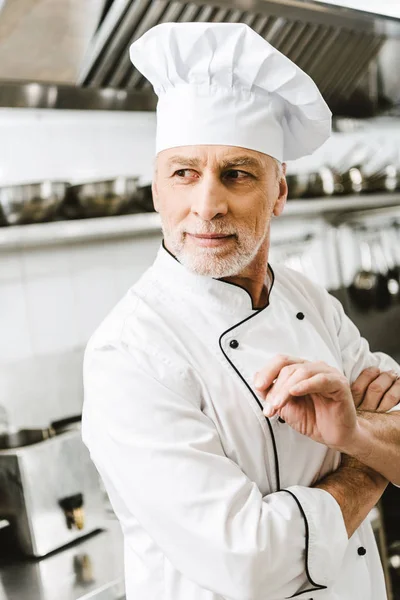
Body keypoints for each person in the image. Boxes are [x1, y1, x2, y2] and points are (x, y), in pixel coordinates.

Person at [82, 22, 400, 600]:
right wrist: (369, 458)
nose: (207, 206)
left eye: (237, 174)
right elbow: (253, 564)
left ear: (279, 192)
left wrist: (354, 433)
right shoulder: (130, 353)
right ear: (157, 189)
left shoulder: (309, 301)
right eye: (184, 173)